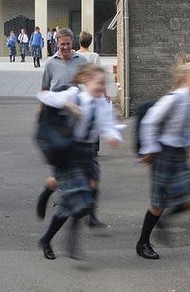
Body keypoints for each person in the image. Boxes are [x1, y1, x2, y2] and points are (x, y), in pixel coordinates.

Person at [36, 64, 122, 260]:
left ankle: (49, 239)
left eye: (104, 84)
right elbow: (43, 96)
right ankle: (67, 243)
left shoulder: (102, 104)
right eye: (99, 83)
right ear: (86, 81)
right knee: (80, 202)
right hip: (70, 151)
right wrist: (66, 104)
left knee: (81, 198)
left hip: (87, 153)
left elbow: (107, 125)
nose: (102, 87)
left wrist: (112, 136)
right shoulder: (75, 94)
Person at [135, 60, 190, 260]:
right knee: (158, 204)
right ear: (187, 78)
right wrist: (149, 150)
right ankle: (143, 243)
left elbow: (189, 126)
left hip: (179, 153)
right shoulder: (174, 98)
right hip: (162, 152)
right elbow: (150, 121)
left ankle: (164, 221)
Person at [35, 29, 89, 219]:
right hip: (57, 119)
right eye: (62, 44)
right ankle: (57, 193)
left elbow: (89, 85)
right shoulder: (50, 64)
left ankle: (74, 197)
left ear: (72, 42)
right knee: (63, 162)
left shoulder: (82, 62)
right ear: (56, 43)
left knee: (79, 159)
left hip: (76, 117)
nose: (65, 47)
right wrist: (42, 116)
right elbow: (44, 89)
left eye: (68, 43)